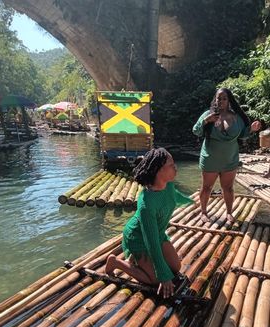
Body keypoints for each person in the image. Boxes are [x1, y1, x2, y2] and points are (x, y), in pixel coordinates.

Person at [105, 148, 194, 298]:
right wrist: (163, 276)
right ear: (159, 171)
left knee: (175, 267)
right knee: (154, 279)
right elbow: (151, 242)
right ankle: (116, 262)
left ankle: (140, 261)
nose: (175, 167)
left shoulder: (168, 186)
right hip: (138, 237)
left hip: (158, 233)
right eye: (171, 165)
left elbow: (174, 197)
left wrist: (190, 200)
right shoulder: (147, 204)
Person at [193, 88, 261, 224]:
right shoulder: (208, 114)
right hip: (210, 158)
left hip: (230, 159)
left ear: (229, 100)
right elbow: (196, 131)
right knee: (206, 187)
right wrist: (206, 121)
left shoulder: (237, 117)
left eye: (224, 98)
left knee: (228, 188)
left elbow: (242, 134)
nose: (221, 101)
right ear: (215, 99)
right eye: (218, 98)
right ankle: (204, 212)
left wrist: (252, 130)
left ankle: (229, 213)